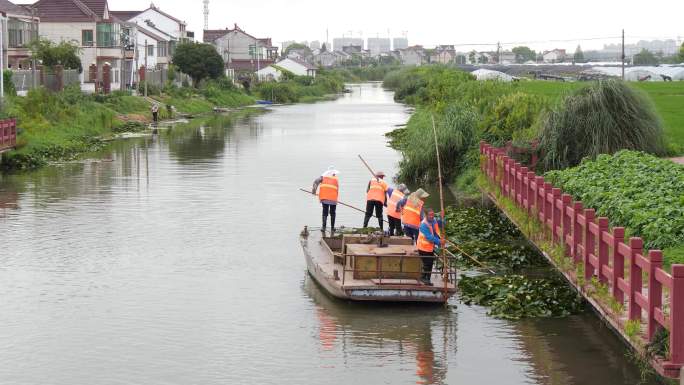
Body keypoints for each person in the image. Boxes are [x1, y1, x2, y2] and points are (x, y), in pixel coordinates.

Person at [417, 209, 444, 285]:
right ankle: (423, 278)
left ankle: (427, 279)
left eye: (433, 214)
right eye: (430, 215)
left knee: (430, 263)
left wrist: (442, 218)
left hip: (430, 247)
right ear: (426, 215)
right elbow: (429, 237)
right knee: (427, 263)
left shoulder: (434, 220)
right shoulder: (423, 225)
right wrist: (439, 241)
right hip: (423, 247)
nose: (432, 216)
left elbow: (442, 224)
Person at [312, 166, 340, 233]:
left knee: (325, 212)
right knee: (333, 213)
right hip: (333, 199)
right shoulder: (336, 179)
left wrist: (314, 191)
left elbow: (315, 182)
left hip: (324, 198)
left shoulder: (322, 177)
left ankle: (323, 228)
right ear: (334, 173)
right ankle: (332, 228)